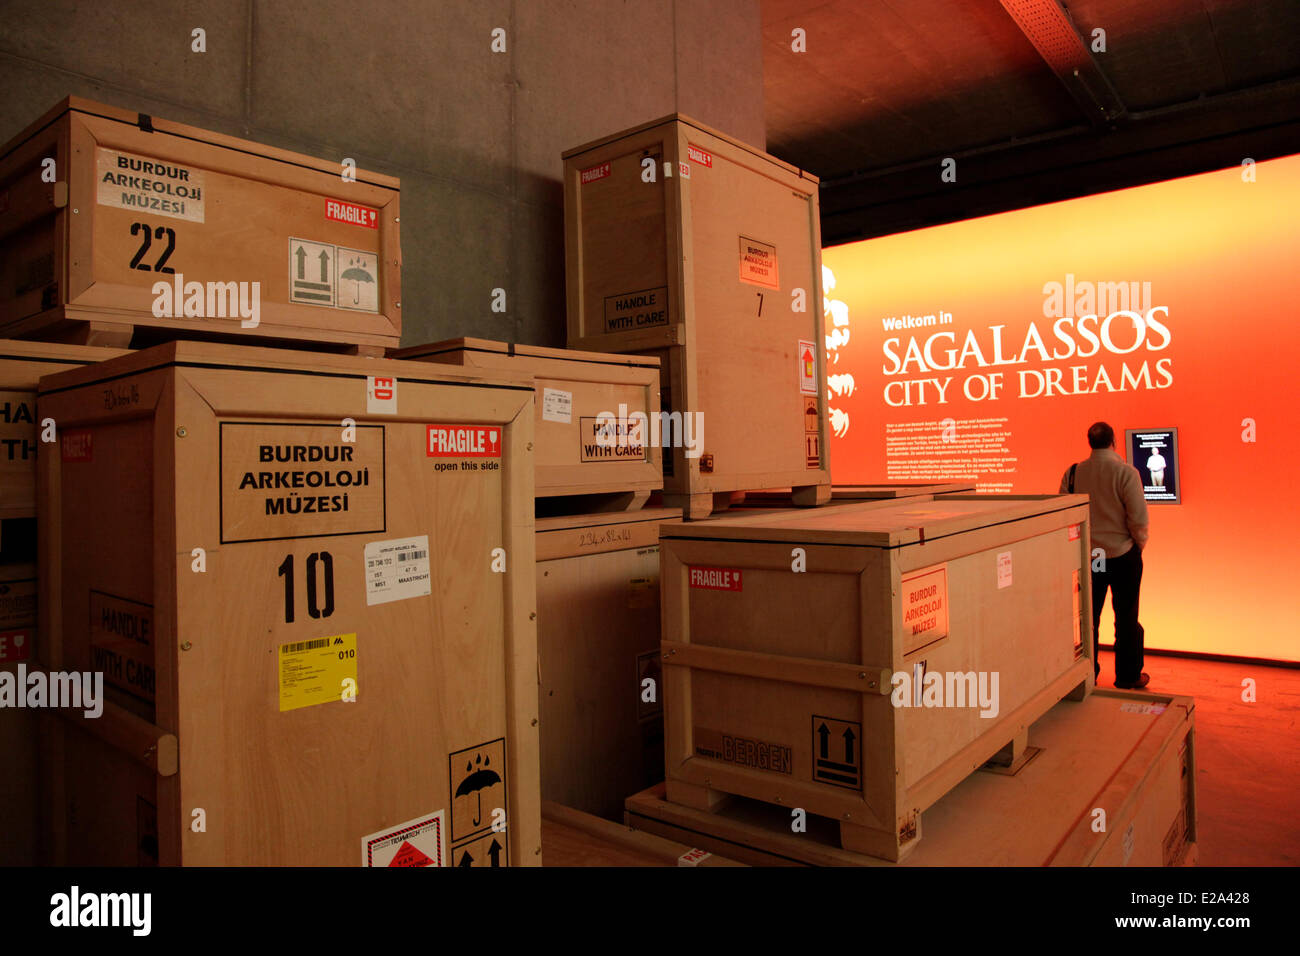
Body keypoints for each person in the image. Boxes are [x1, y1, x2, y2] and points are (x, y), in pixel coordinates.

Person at [1060, 422, 1151, 689]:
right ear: (1113, 441)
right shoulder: (1125, 472)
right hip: (1122, 554)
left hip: (1092, 555)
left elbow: (1065, 514)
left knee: (1090, 616)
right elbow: (1139, 519)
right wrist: (1138, 546)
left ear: (1090, 442)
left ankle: (1090, 674)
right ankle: (1127, 676)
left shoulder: (1074, 473)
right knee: (1126, 616)